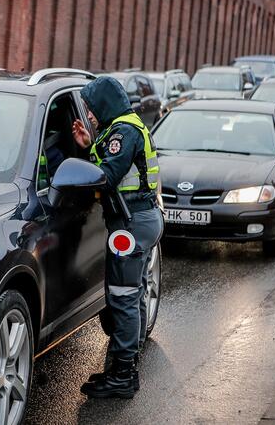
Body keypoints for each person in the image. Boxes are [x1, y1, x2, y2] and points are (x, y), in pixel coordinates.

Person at [72, 76, 164, 399]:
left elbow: (107, 177)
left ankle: (123, 375)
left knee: (123, 297)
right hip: (141, 218)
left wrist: (87, 153)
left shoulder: (122, 132)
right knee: (134, 292)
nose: (89, 115)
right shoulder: (129, 126)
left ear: (105, 104)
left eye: (91, 107)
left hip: (131, 222)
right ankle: (127, 365)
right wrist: (89, 146)